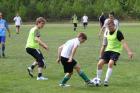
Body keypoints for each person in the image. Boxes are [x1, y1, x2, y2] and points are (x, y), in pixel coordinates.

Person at [96, 20, 133, 86]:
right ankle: (98, 80)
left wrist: (129, 52)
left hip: (116, 51)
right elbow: (106, 43)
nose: (109, 28)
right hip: (108, 50)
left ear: (114, 25)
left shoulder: (118, 32)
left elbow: (123, 43)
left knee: (110, 63)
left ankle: (106, 80)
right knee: (99, 64)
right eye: (108, 27)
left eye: (110, 26)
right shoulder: (107, 32)